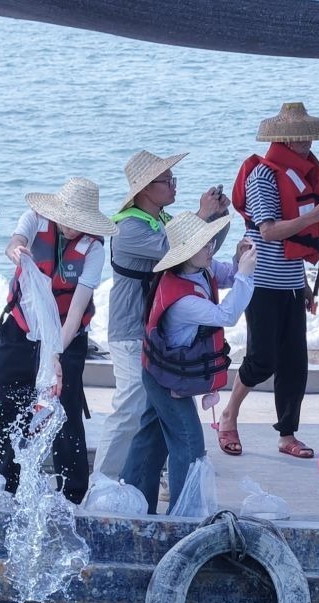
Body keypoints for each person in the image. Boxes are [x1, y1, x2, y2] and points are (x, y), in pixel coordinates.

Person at [218, 101, 319, 460]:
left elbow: (293, 241)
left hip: (289, 281)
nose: (307, 143)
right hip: (259, 281)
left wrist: (303, 284)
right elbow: (269, 231)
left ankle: (287, 435)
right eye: (300, 137)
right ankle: (229, 415)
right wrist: (315, 217)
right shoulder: (263, 176)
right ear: (284, 138)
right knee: (262, 359)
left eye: (310, 137)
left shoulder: (301, 174)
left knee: (294, 363)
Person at [96, 149, 229, 480]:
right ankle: (103, 482)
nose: (173, 185)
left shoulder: (164, 221)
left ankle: (146, 478)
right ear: (144, 189)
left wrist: (217, 217)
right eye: (167, 181)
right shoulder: (128, 228)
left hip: (157, 333)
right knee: (130, 408)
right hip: (131, 331)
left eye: (173, 179)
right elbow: (174, 251)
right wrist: (202, 214)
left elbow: (201, 251)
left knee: (157, 409)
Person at [0, 178, 117, 503]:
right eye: (68, 219)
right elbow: (14, 242)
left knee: (64, 407)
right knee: (6, 397)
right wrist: (16, 250)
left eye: (80, 222)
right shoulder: (34, 220)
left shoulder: (94, 250)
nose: (72, 228)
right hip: (21, 328)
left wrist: (55, 354)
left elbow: (77, 309)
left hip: (65, 335)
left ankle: (72, 491)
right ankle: (5, 480)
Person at [121, 214, 256, 515]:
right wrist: (246, 276)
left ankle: (132, 505)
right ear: (186, 252)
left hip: (160, 370)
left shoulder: (201, 268)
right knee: (189, 442)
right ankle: (182, 516)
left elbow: (229, 275)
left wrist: (239, 261)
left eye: (210, 242)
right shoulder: (182, 301)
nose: (211, 247)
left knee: (151, 439)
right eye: (204, 244)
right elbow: (226, 316)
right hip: (165, 379)